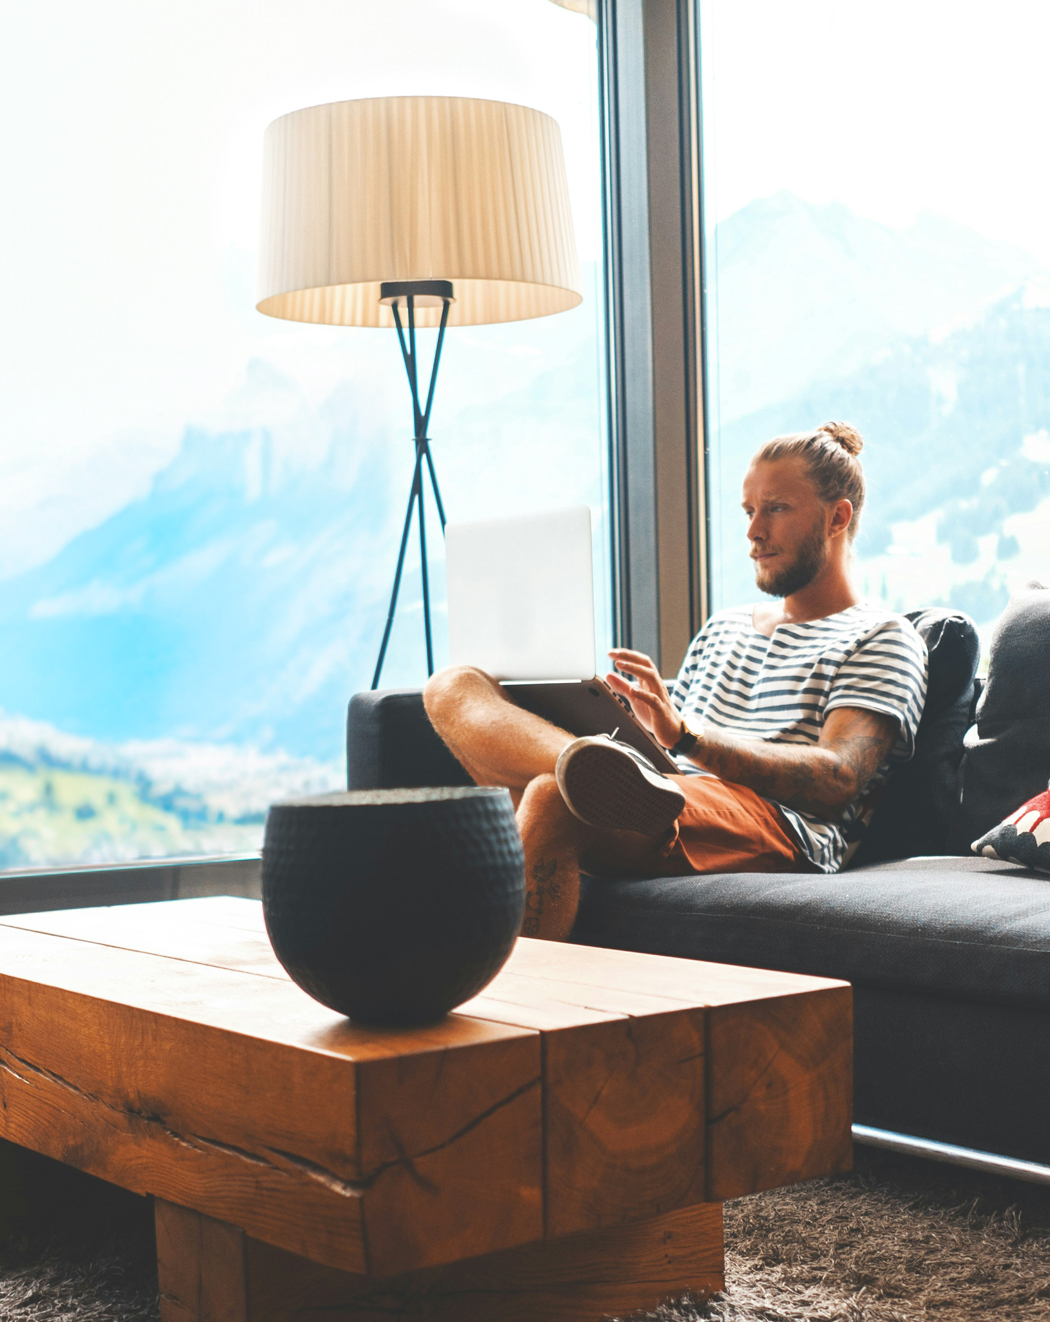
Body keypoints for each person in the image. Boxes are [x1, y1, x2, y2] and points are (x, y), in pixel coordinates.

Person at [424, 421, 927, 940]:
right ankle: (590, 766)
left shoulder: (881, 635)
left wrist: (686, 735)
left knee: (553, 798)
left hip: (777, 822)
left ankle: (586, 780)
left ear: (837, 517)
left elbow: (838, 780)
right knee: (452, 685)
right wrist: (624, 719)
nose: (754, 532)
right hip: (666, 791)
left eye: (776, 509)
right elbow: (669, 757)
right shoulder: (722, 627)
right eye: (749, 511)